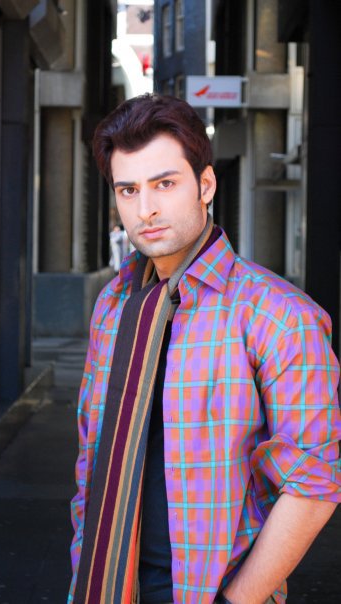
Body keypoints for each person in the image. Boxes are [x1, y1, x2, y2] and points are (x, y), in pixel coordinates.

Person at [68, 94, 340, 604]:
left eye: (165, 184)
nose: (145, 209)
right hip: (107, 585)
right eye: (128, 190)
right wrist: (85, 558)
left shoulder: (279, 316)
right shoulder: (114, 305)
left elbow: (313, 484)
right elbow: (92, 453)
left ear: (206, 185)